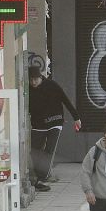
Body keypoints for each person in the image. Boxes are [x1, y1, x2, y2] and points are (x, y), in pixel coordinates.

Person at [26, 56, 81, 193]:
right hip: (38, 124)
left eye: (36, 79)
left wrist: (76, 117)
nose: (33, 82)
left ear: (41, 77)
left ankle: (42, 177)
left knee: (49, 150)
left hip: (54, 122)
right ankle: (38, 176)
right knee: (35, 151)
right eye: (31, 80)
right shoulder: (28, 90)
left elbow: (65, 100)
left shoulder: (52, 85)